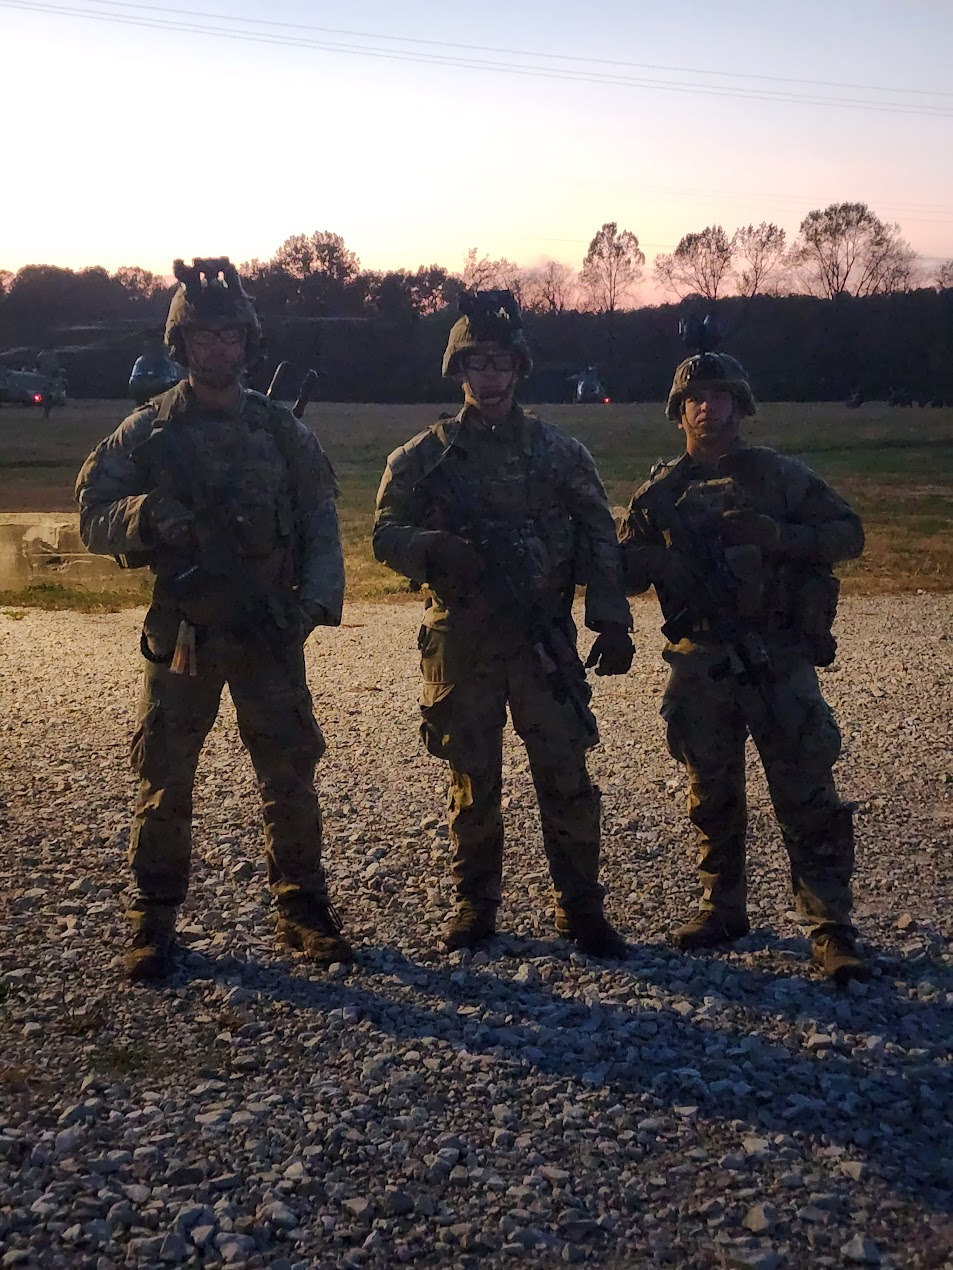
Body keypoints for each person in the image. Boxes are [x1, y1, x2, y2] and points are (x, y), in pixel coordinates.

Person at [75, 257, 352, 980]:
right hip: (185, 634)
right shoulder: (146, 432)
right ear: (181, 344)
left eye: (230, 335)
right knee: (164, 778)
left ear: (247, 343)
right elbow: (91, 516)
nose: (218, 348)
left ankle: (302, 909)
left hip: (267, 630)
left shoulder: (280, 432)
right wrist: (145, 515)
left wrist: (313, 607)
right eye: (203, 336)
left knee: (288, 774)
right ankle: (154, 918)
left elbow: (322, 520)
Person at [373, 291, 634, 957]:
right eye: (476, 364)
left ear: (518, 369)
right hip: (461, 639)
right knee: (471, 778)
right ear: (458, 371)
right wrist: (432, 550)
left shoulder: (559, 452)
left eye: (499, 363)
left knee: (565, 775)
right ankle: (474, 903)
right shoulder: (423, 456)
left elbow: (597, 533)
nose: (488, 376)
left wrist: (610, 620)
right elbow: (384, 532)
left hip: (541, 637)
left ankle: (580, 906)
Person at [618, 347, 868, 984]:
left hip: (776, 657)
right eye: (695, 399)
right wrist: (660, 562)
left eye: (720, 396)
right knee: (712, 794)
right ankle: (722, 907)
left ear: (741, 405)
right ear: (679, 412)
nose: (708, 408)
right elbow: (618, 566)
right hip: (700, 664)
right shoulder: (661, 490)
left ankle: (830, 926)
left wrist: (779, 537)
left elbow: (848, 533)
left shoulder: (779, 477)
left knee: (807, 790)